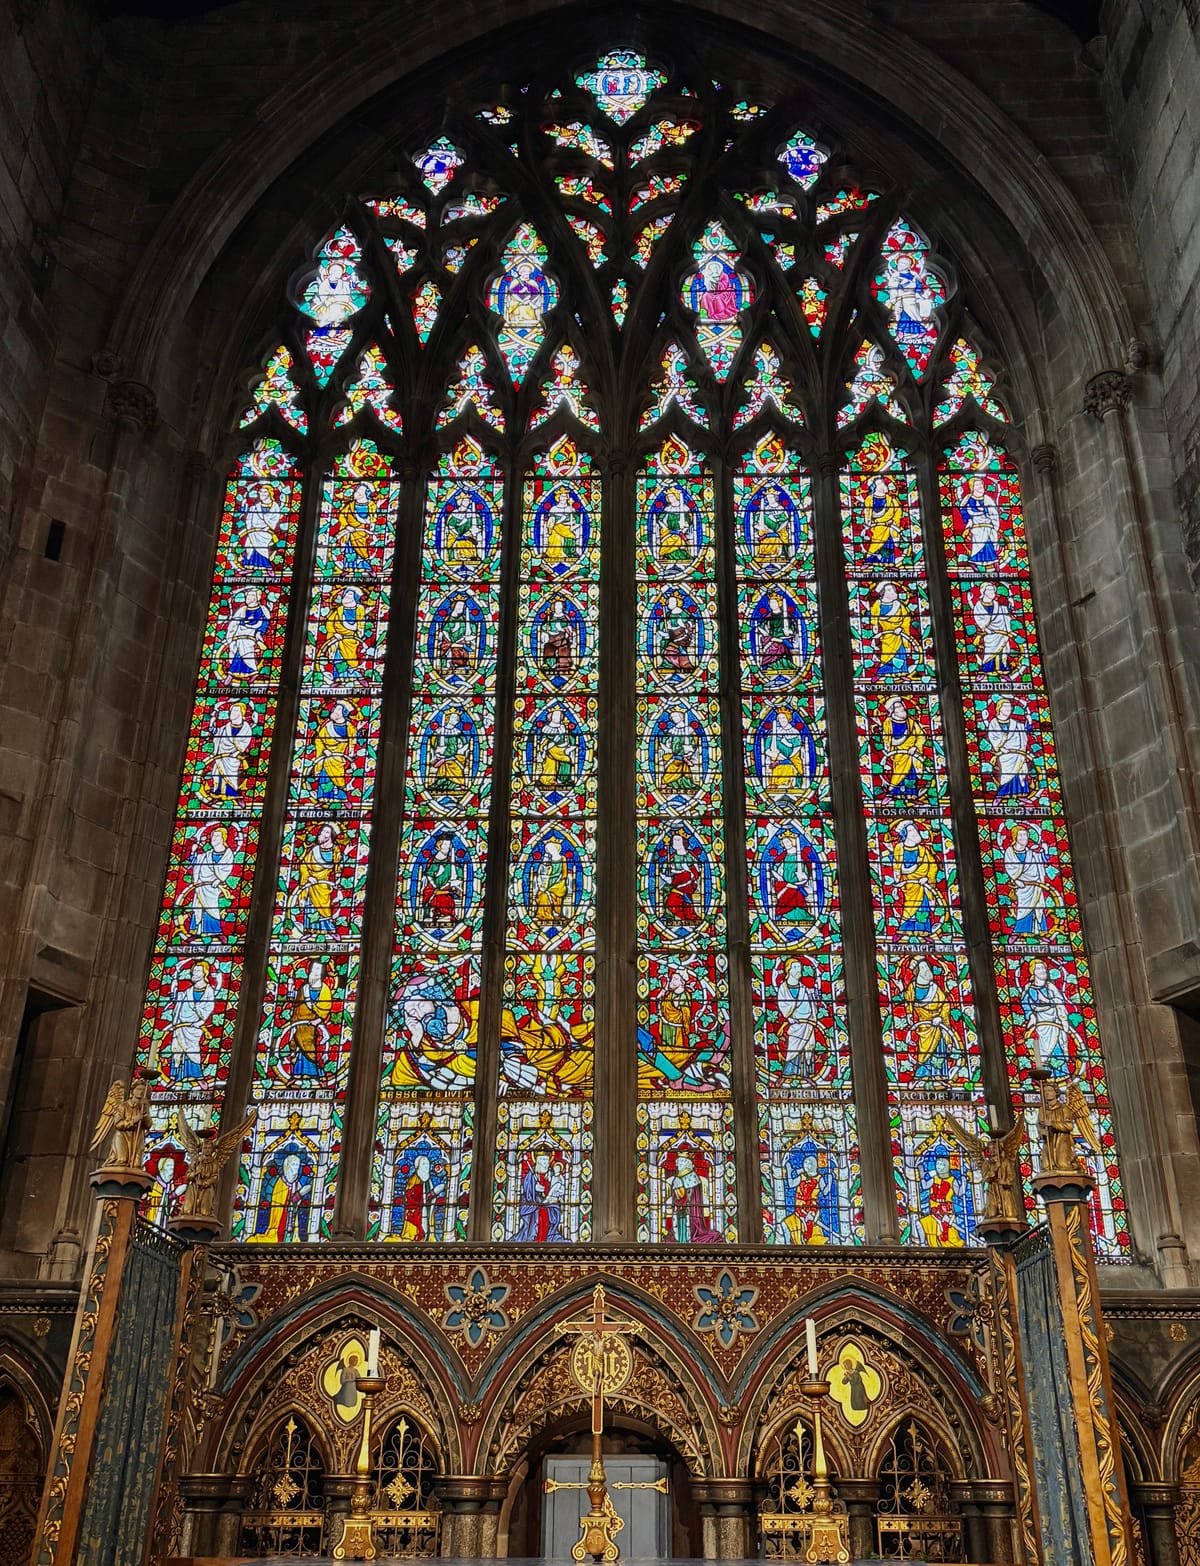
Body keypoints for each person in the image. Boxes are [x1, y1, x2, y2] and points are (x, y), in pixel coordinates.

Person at [277, 959, 333, 1080]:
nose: (314, 973)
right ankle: (298, 1073)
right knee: (300, 1048)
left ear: (322, 973)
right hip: (299, 1022)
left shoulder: (325, 990)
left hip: (314, 1024)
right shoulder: (304, 988)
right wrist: (290, 989)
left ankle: (318, 1073)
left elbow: (325, 1009)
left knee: (313, 1049)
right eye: (313, 970)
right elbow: (296, 1004)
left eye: (317, 971)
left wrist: (317, 1022)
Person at [162, 960, 218, 1082]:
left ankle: (197, 1076)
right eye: (193, 971)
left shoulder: (209, 991)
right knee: (177, 1050)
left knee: (193, 1050)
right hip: (181, 1025)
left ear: (205, 973)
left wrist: (197, 1021)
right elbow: (178, 1000)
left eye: (198, 971)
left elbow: (208, 1009)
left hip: (194, 1028)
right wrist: (174, 982)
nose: (194, 973)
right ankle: (174, 1077)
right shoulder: (187, 991)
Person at [903, 957, 957, 1080]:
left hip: (937, 1025)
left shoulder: (935, 989)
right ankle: (924, 1075)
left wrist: (939, 1017)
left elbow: (945, 1005)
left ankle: (939, 1076)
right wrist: (909, 1015)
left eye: (927, 967)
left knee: (939, 1049)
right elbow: (908, 1002)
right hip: (923, 1025)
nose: (927, 970)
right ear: (917, 971)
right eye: (923, 968)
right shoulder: (912, 987)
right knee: (923, 1050)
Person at [179, 825, 235, 938]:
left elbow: (226, 869)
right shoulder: (207, 854)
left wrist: (219, 879)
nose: (214, 839)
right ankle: (197, 931)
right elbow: (194, 861)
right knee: (198, 907)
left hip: (213, 888)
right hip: (201, 885)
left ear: (223, 838)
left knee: (212, 908)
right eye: (213, 836)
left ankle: (212, 932)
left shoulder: (228, 854)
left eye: (217, 836)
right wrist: (193, 852)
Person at [1020, 958, 1074, 1075]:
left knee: (1057, 1049)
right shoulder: (1029, 990)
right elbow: (1025, 1005)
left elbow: (1059, 1001)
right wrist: (1031, 1016)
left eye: (1043, 968)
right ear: (1033, 972)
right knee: (1042, 1052)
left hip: (1054, 1023)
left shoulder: (1051, 987)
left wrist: (1048, 1000)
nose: (1042, 971)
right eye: (1039, 968)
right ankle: (1045, 1077)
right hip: (1040, 1024)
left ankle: (1062, 1075)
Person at [891, 820, 946, 936]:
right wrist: (896, 884)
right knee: (909, 907)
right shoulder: (899, 848)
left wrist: (926, 878)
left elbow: (933, 867)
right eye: (911, 830)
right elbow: (897, 867)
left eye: (915, 829)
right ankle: (906, 930)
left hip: (923, 884)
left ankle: (923, 930)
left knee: (923, 907)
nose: (915, 833)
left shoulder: (923, 850)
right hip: (908, 884)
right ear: (904, 834)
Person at [775, 958, 823, 1079]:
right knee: (793, 1048)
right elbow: (784, 1006)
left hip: (808, 1023)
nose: (799, 970)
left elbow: (811, 1004)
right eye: (796, 967)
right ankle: (789, 1074)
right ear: (789, 970)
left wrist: (812, 1017)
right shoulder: (783, 988)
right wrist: (791, 1016)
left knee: (809, 1046)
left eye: (799, 967)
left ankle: (806, 1074)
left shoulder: (804, 988)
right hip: (795, 1025)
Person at [291, 822, 340, 937]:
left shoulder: (336, 850)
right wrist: (309, 877)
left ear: (331, 835)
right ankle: (309, 930)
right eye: (322, 831)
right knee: (310, 907)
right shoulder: (314, 850)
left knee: (325, 907)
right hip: (312, 883)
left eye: (327, 832)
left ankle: (328, 930)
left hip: (324, 884)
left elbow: (338, 867)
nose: (323, 834)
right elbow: (304, 865)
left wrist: (338, 880)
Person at [1004, 823, 1054, 936]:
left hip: (1036, 885)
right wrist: (1016, 880)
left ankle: (1042, 932)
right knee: (1023, 908)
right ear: (1015, 837)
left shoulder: (1030, 853)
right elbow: (1010, 868)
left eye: (1026, 836)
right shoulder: (1010, 852)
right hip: (1022, 887)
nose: (1024, 838)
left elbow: (1041, 860)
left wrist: (1046, 851)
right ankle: (1023, 932)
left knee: (1039, 907)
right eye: (1021, 836)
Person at [666, 1151, 721, 1242]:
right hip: (681, 1209)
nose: (677, 1165)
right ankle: (681, 1239)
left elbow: (685, 1196)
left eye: (679, 1162)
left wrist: (677, 1188)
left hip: (691, 1212)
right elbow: (678, 1197)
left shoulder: (692, 1177)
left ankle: (687, 1238)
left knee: (686, 1225)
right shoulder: (679, 1177)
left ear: (685, 1163)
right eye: (678, 1163)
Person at [204, 701, 253, 802]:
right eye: (231, 712)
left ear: (242, 713)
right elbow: (217, 733)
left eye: (235, 711)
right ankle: (217, 795)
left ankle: (233, 795)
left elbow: (244, 742)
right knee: (217, 775)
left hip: (233, 758)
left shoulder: (246, 728)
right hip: (221, 755)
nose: (232, 714)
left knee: (231, 776)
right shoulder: (226, 727)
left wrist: (236, 753)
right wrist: (212, 723)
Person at [783, 1148, 835, 1244]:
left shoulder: (819, 1178)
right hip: (799, 1207)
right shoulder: (802, 1176)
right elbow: (791, 1184)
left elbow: (825, 1192)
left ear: (814, 1165)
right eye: (805, 1163)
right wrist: (789, 1170)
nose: (806, 1166)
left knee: (809, 1226)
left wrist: (830, 1182)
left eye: (808, 1163)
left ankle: (806, 1240)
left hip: (811, 1208)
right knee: (787, 1223)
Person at [219, 587, 270, 682]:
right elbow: (234, 622)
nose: (248, 597)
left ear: (256, 598)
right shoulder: (242, 609)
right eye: (247, 595)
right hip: (239, 633)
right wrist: (231, 633)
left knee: (245, 653)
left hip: (251, 634)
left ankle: (234, 674)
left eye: (251, 595)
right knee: (238, 652)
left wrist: (259, 632)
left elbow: (265, 622)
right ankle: (251, 672)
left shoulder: (262, 610)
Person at [879, 696, 924, 802]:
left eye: (902, 706)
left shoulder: (911, 722)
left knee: (911, 775)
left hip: (912, 754)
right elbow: (887, 739)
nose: (902, 708)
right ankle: (895, 794)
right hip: (898, 754)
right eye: (898, 707)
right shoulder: (888, 723)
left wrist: (915, 747)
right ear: (892, 711)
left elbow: (921, 736)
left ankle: (911, 795)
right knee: (898, 775)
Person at [513, 1149, 565, 1242]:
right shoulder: (531, 1174)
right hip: (533, 1201)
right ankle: (535, 1238)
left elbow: (556, 1188)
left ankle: (546, 1238)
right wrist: (534, 1188)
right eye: (542, 1160)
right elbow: (526, 1189)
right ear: (537, 1160)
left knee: (548, 1212)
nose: (544, 1163)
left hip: (549, 1202)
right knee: (540, 1212)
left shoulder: (551, 1174)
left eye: (546, 1160)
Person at [985, 698, 1032, 799]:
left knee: (1020, 770)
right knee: (1006, 772)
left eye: (1010, 706)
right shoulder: (994, 723)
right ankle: (1004, 793)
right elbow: (994, 738)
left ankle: (1020, 794)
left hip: (1018, 753)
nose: (1008, 708)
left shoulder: (1016, 724)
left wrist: (1029, 723)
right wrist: (1002, 744)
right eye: (1005, 706)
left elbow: (1023, 734)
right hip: (1003, 755)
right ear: (999, 708)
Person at [321, 586, 368, 684]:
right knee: (338, 658)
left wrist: (360, 634)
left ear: (355, 597)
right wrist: (335, 634)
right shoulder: (339, 609)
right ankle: (338, 679)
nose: (347, 596)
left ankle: (352, 678)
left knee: (351, 660)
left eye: (350, 594)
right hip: (338, 639)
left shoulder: (360, 609)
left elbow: (361, 624)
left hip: (352, 639)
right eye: (346, 594)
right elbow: (330, 623)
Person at [311, 700, 354, 804]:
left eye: (338, 709)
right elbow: (318, 740)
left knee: (339, 775)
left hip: (340, 756)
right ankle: (323, 797)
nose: (335, 711)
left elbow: (352, 742)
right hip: (326, 756)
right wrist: (325, 750)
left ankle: (339, 797)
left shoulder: (350, 728)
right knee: (325, 773)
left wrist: (351, 752)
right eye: (335, 708)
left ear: (344, 712)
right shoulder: (327, 726)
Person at [870, 582, 913, 678]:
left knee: (900, 653)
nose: (893, 592)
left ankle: (900, 673)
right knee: (886, 654)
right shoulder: (878, 604)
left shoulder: (899, 605)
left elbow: (906, 618)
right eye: (889, 590)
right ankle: (884, 673)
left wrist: (901, 628)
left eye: (893, 590)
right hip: (886, 634)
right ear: (882, 592)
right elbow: (874, 616)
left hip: (898, 634)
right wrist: (874, 624)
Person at [919, 1152, 963, 1246]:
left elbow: (959, 1193)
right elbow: (925, 1186)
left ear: (947, 1166)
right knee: (921, 1224)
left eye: (941, 1164)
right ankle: (923, 1244)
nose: (938, 1166)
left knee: (949, 1236)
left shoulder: (952, 1180)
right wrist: (922, 1176)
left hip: (947, 1214)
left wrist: (964, 1182)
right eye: (937, 1164)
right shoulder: (934, 1178)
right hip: (933, 1212)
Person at [419, 835, 462, 930]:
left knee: (447, 899)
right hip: (432, 888)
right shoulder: (432, 860)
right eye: (445, 844)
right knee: (433, 896)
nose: (448, 847)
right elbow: (429, 875)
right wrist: (435, 887)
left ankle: (446, 916)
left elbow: (459, 875)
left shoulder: (451, 861)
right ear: (439, 846)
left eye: (449, 844)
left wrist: (450, 884)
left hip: (447, 889)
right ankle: (432, 915)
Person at [239, 482, 284, 571]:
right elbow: (249, 519)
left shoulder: (275, 507)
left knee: (262, 549)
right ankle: (249, 566)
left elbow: (274, 520)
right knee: (250, 547)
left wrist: (267, 526)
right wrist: (250, 529)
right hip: (253, 532)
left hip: (266, 533)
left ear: (270, 493)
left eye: (265, 492)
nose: (262, 494)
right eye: (260, 492)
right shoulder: (255, 507)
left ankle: (263, 565)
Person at [958, 474, 1002, 565]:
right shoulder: (968, 499)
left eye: (981, 485)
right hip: (975, 527)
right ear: (972, 487)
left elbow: (993, 512)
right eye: (977, 485)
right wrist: (969, 520)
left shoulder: (987, 499)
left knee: (988, 544)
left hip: (987, 526)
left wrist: (984, 510)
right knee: (976, 546)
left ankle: (994, 563)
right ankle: (975, 562)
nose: (980, 487)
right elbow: (964, 511)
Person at [971, 583, 1014, 675]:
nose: (992, 592)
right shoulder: (978, 605)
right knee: (990, 649)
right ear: (984, 592)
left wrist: (1010, 604)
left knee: (1003, 648)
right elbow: (979, 619)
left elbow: (1004, 616)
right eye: (989, 590)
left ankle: (1002, 665)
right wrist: (986, 629)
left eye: (993, 590)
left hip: (1001, 631)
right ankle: (988, 666)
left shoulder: (997, 604)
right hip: (989, 634)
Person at [862, 475, 904, 565]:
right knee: (874, 544)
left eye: (883, 483)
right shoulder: (869, 499)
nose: (883, 485)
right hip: (875, 528)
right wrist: (868, 522)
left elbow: (895, 511)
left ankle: (889, 564)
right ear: (875, 486)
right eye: (880, 483)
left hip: (887, 527)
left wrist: (892, 521)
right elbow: (867, 512)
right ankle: (870, 562)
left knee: (888, 544)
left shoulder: (891, 499)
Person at [532, 836, 572, 924]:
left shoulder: (562, 859)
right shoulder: (547, 859)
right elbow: (541, 871)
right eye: (549, 848)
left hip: (559, 883)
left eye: (552, 848)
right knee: (542, 895)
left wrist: (560, 882)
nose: (550, 850)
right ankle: (543, 915)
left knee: (550, 893)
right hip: (546, 882)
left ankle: (556, 913)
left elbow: (564, 873)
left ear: (557, 848)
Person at [662, 830, 700, 924]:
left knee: (674, 896)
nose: (675, 842)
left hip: (688, 884)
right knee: (668, 891)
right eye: (674, 840)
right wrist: (667, 869)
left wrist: (687, 870)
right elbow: (665, 870)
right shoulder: (672, 857)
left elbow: (696, 871)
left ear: (684, 841)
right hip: (675, 884)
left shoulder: (690, 856)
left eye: (678, 840)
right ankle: (673, 916)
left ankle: (680, 917)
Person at [541, 604, 576, 679]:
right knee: (548, 647)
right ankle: (549, 665)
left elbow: (569, 627)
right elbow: (544, 627)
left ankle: (563, 666)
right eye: (556, 606)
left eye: (560, 606)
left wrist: (564, 629)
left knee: (564, 648)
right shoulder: (550, 616)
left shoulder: (565, 617)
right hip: (551, 638)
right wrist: (546, 627)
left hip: (562, 637)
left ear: (563, 607)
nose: (558, 607)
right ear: (553, 607)